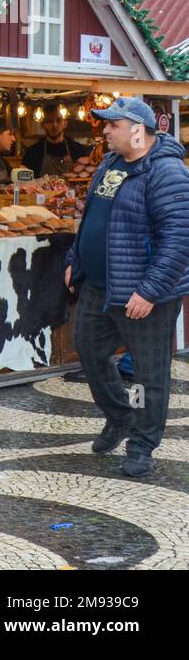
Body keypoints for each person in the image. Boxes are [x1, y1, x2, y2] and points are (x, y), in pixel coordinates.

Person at [64, 98, 189, 478]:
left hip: (145, 294)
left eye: (111, 125)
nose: (104, 131)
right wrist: (75, 258)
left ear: (137, 129)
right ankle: (119, 416)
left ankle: (142, 444)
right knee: (87, 347)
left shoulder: (167, 173)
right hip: (99, 286)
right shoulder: (111, 164)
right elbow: (93, 218)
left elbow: (179, 239)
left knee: (150, 373)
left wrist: (150, 291)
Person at [23, 104, 89, 178]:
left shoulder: (78, 150)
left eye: (58, 120)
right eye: (49, 121)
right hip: (43, 189)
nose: (54, 125)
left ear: (65, 124)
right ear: (42, 125)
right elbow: (25, 180)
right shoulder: (32, 152)